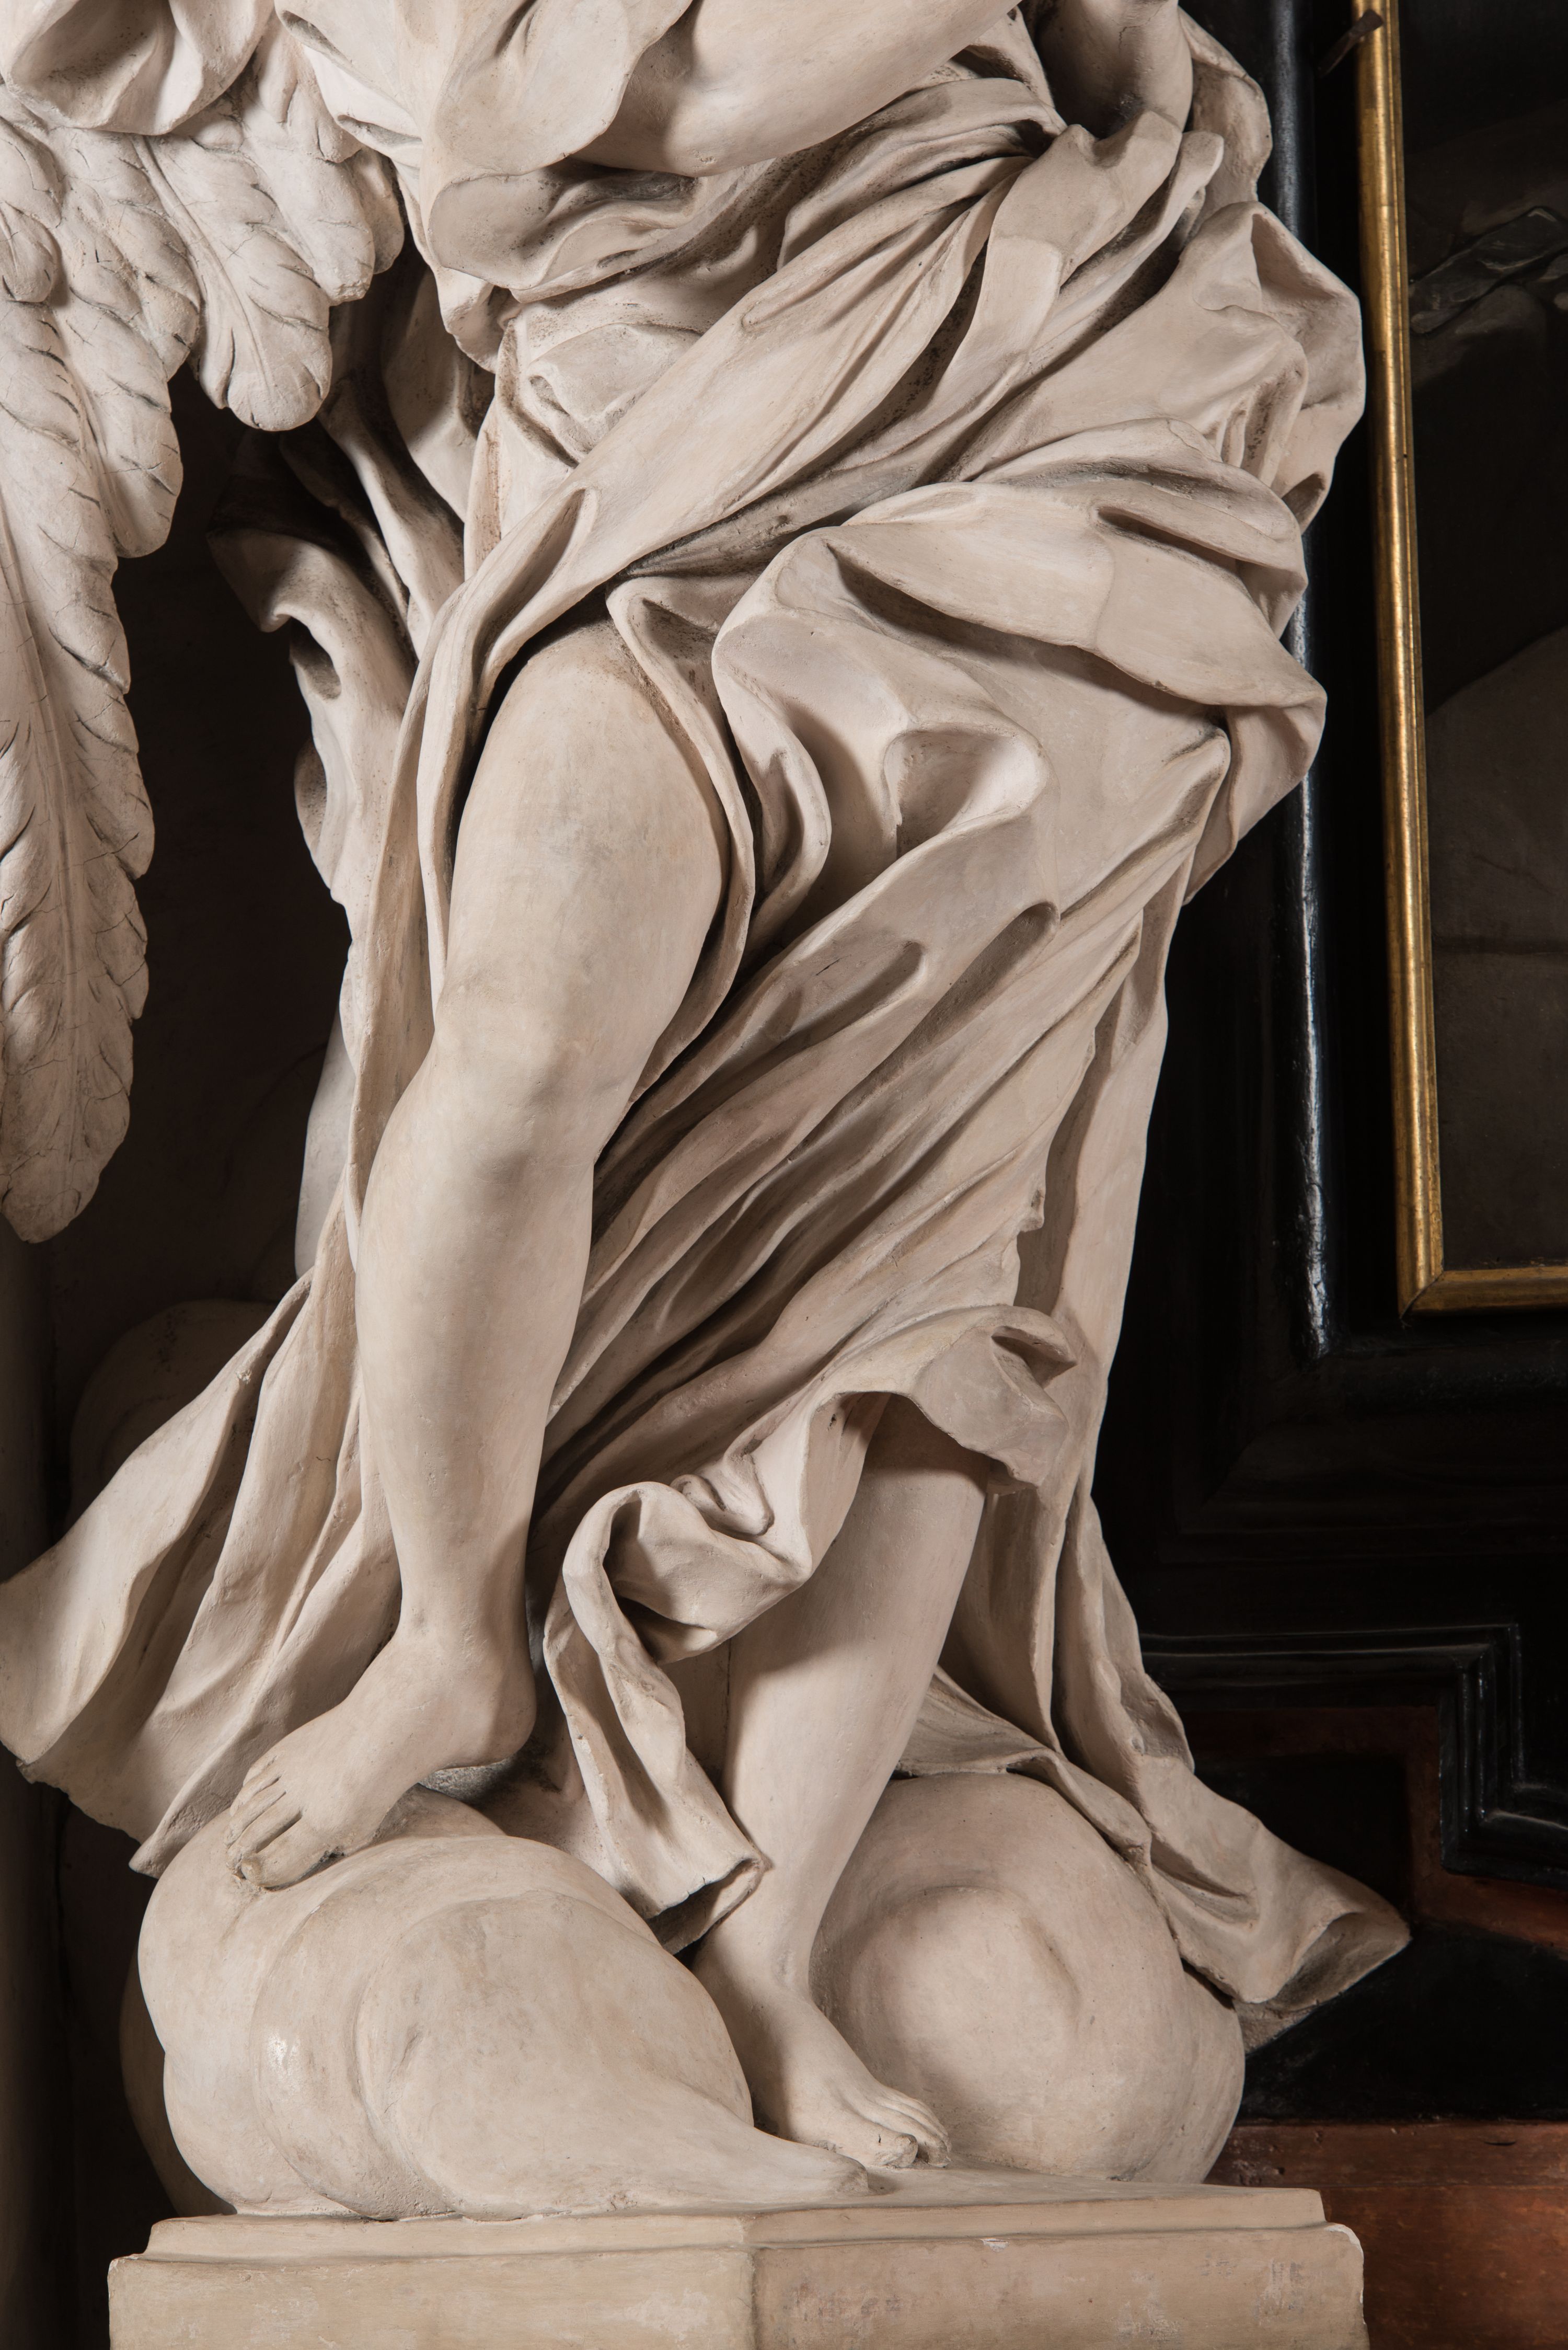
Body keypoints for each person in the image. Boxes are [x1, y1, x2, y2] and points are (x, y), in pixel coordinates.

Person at [0, 0, 1404, 2173]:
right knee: (507, 1070)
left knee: (931, 1277)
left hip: (1033, 436)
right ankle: (453, 1635)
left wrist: (517, 96)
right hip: (659, 483)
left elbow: (733, 86)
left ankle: (770, 1940)